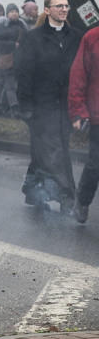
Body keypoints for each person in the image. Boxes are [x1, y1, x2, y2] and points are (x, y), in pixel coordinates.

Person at [16, 0, 82, 213]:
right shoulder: (32, 38)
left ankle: (32, 191)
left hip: (66, 107)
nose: (64, 9)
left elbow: (81, 73)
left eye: (66, 5)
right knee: (55, 152)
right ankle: (68, 197)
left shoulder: (75, 37)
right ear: (47, 10)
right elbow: (24, 74)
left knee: (47, 151)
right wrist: (25, 107)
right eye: (58, 6)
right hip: (41, 107)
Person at [69, 23, 99, 223]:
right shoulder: (92, 38)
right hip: (97, 113)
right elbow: (78, 76)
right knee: (96, 162)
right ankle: (82, 201)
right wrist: (79, 111)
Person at [0, 3, 26, 117]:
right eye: (12, 11)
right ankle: (15, 108)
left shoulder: (22, 26)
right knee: (11, 85)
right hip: (7, 59)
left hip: (20, 60)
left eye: (16, 11)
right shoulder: (2, 26)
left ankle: (2, 106)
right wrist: (12, 44)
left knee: (9, 85)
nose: (14, 13)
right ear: (7, 14)